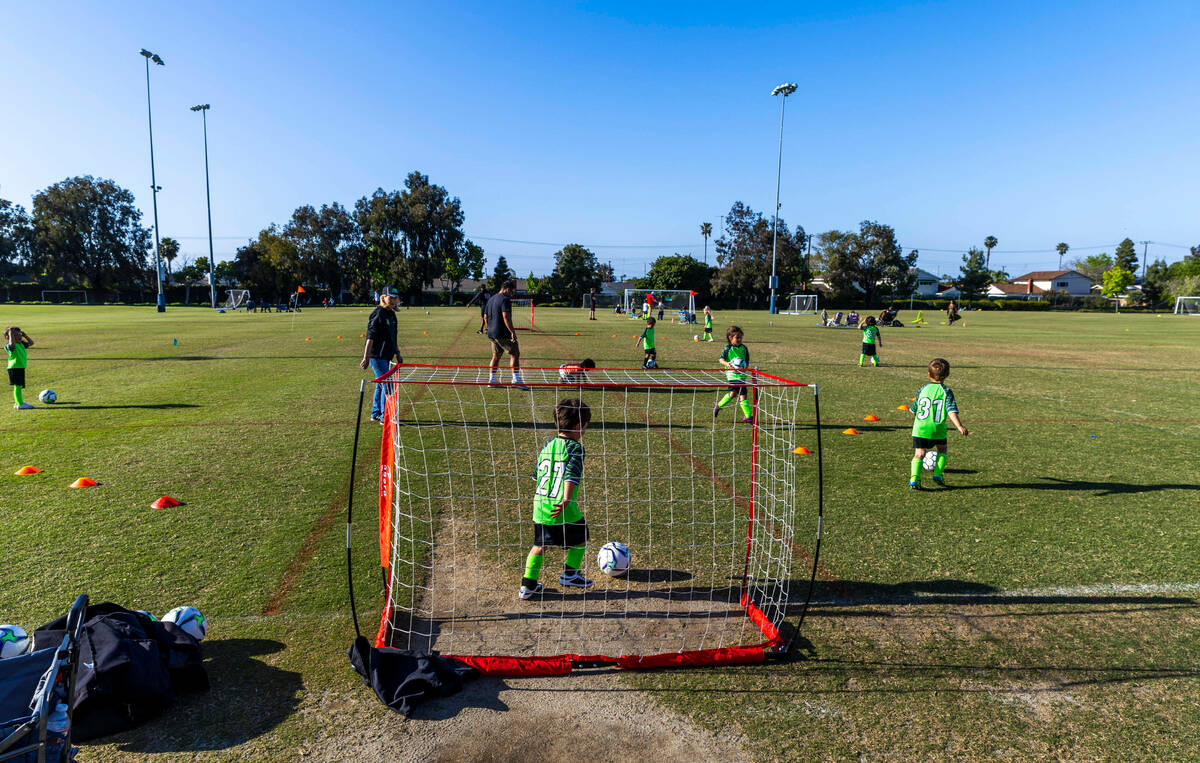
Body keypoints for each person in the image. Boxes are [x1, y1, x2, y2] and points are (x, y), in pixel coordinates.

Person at [520, 398, 593, 598]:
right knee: (580, 538)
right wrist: (566, 499)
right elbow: (571, 474)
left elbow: (536, 475)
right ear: (578, 426)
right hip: (562, 504)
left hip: (541, 503)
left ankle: (528, 585)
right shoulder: (575, 448)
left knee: (539, 545)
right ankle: (570, 574)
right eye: (586, 426)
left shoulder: (548, 444)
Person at [909, 358, 969, 488]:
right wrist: (959, 426)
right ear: (947, 375)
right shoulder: (946, 391)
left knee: (919, 453)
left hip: (920, 428)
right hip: (937, 428)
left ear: (929, 374)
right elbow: (951, 411)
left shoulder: (923, 389)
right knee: (942, 449)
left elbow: (914, 409)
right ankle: (937, 473)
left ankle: (914, 479)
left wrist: (918, 420)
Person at [360, 287, 403, 424]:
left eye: (395, 298)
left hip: (387, 356)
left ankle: (376, 413)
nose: (393, 300)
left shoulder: (392, 314)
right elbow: (370, 337)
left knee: (381, 384)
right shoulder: (378, 314)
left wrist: (397, 353)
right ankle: (385, 416)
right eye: (390, 297)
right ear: (383, 297)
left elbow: (393, 337)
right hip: (376, 356)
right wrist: (366, 357)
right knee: (387, 383)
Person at [484, 280, 528, 389]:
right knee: (515, 353)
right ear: (507, 289)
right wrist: (512, 332)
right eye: (512, 291)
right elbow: (506, 317)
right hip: (502, 333)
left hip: (491, 333)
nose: (513, 294)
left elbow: (485, 316)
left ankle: (492, 380)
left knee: (496, 355)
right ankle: (516, 380)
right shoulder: (505, 299)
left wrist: (489, 328)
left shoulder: (491, 299)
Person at [714, 326, 752, 423]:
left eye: (740, 337)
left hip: (742, 374)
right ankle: (748, 416)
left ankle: (718, 405)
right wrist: (727, 364)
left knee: (733, 394)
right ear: (731, 338)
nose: (739, 339)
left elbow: (747, 360)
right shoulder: (728, 348)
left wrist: (745, 367)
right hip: (732, 375)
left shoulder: (744, 348)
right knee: (743, 394)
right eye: (737, 337)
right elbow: (721, 359)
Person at [5, 326, 35, 410]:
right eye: (16, 335)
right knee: (17, 386)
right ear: (10, 337)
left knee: (20, 386)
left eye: (20, 334)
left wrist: (25, 336)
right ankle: (20, 404)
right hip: (14, 368)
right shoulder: (9, 345)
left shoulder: (21, 344)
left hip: (20, 367)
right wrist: (11, 333)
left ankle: (17, 402)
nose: (19, 336)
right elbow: (12, 344)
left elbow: (31, 343)